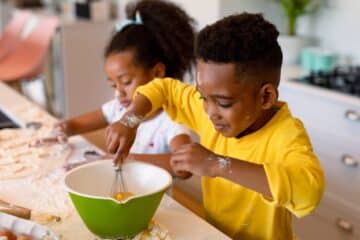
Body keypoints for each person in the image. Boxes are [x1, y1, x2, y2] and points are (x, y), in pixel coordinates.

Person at [105, 13, 325, 239]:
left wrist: (217, 164)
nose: (209, 112)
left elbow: (308, 192)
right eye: (202, 98)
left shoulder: (286, 135)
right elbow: (164, 89)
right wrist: (129, 120)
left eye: (223, 103)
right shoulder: (209, 109)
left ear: (266, 97)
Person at [54, 0, 196, 178]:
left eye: (126, 81)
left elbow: (184, 168)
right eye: (113, 85)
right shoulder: (119, 108)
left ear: (157, 73)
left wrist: (130, 158)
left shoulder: (172, 121)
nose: (118, 93)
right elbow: (75, 125)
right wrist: (64, 128)